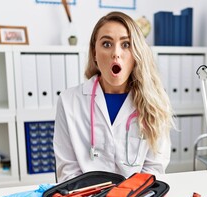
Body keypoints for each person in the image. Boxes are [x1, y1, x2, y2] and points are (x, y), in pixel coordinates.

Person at [53, 11, 174, 182]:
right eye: (107, 44)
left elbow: (154, 168)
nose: (116, 53)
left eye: (126, 44)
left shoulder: (156, 101)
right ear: (94, 53)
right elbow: (68, 171)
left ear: (136, 53)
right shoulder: (68, 101)